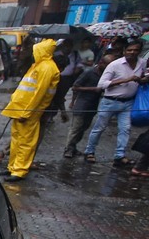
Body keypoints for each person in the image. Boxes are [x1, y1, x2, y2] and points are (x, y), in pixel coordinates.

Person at [0, 38, 60, 182]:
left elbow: (39, 94)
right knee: (17, 140)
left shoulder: (47, 68)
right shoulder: (38, 65)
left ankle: (19, 170)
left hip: (28, 112)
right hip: (20, 110)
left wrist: (27, 112)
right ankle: (12, 167)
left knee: (26, 142)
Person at [82, 39, 148, 167]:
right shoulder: (115, 65)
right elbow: (102, 84)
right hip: (110, 101)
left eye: (135, 50)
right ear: (124, 51)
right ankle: (89, 151)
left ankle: (119, 156)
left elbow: (143, 77)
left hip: (128, 102)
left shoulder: (142, 63)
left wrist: (142, 79)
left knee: (125, 129)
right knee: (99, 128)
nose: (132, 53)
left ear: (139, 51)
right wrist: (125, 80)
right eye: (129, 50)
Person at [62, 53, 115, 158]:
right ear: (101, 63)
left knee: (84, 128)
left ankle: (73, 147)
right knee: (75, 128)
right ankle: (68, 149)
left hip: (93, 105)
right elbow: (75, 87)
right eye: (108, 65)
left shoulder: (106, 75)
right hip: (82, 104)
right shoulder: (89, 73)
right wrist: (92, 89)